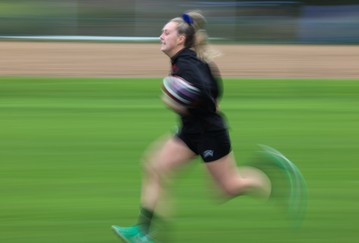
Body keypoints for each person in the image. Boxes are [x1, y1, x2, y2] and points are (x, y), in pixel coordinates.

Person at [112, 10, 276, 243]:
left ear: (180, 39)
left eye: (166, 32)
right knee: (154, 167)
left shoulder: (187, 64)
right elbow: (216, 90)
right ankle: (144, 232)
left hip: (209, 134)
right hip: (190, 132)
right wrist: (188, 103)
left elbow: (205, 94)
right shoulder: (192, 60)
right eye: (162, 32)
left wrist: (179, 101)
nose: (161, 36)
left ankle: (269, 173)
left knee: (227, 189)